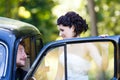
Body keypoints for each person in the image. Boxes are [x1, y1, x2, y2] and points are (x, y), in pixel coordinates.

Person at [55, 11, 108, 80]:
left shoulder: (88, 46)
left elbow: (103, 67)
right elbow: (59, 75)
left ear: (73, 28)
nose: (60, 34)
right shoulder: (62, 46)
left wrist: (105, 48)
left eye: (62, 30)